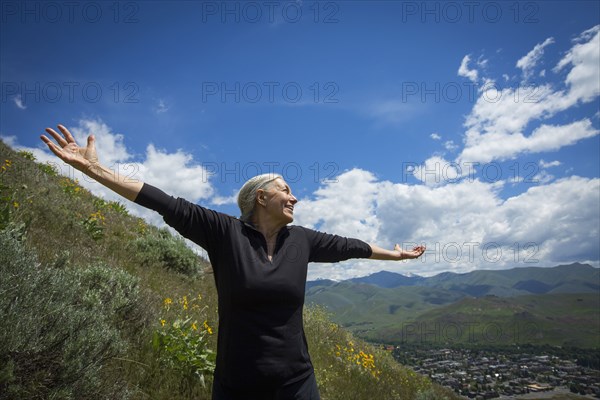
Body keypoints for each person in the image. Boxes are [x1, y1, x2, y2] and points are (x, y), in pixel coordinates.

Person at [41, 124, 426, 400]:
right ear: (261, 198)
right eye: (286, 191)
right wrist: (94, 170)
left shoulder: (302, 240)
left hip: (297, 383)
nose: (294, 198)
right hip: (236, 385)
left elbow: (350, 247)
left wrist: (397, 254)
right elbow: (161, 201)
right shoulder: (224, 233)